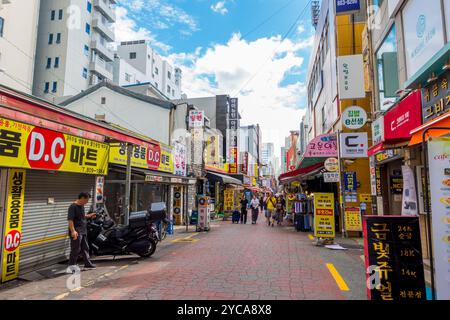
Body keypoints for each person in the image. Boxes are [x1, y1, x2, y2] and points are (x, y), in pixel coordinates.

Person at [67, 192, 97, 273]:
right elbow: (70, 220)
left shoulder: (82, 206)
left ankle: (87, 264)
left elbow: (82, 217)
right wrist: (73, 231)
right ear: (82, 198)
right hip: (76, 232)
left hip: (83, 231)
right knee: (75, 249)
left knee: (85, 248)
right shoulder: (73, 207)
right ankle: (71, 267)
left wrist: (89, 215)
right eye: (86, 200)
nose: (87, 202)